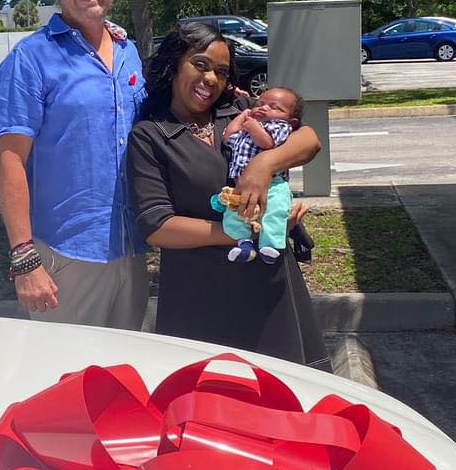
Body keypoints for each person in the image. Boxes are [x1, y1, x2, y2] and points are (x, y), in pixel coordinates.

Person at [127, 22, 330, 369]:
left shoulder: (241, 109)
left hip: (270, 286)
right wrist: (236, 231)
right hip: (201, 296)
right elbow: (157, 225)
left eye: (221, 72)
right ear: (175, 64)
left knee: (284, 403)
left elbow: (308, 139)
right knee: (213, 408)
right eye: (201, 65)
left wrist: (264, 164)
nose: (211, 80)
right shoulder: (151, 136)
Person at [0, 0, 149, 330]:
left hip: (130, 248)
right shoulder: (30, 59)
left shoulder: (127, 51)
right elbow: (10, 160)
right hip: (66, 255)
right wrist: (25, 258)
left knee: (124, 376)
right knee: (68, 379)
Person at [213, 86, 305, 264]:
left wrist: (252, 126)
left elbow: (267, 143)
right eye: (260, 103)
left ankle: (270, 245)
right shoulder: (245, 131)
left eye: (274, 107)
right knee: (234, 216)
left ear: (291, 121)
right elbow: (228, 137)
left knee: (274, 211)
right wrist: (243, 117)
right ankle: (243, 244)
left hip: (273, 185)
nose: (263, 108)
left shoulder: (280, 127)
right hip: (240, 186)